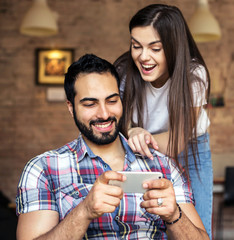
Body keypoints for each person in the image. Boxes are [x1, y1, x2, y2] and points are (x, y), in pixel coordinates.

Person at [15, 54, 209, 240]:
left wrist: (174, 215)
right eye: (90, 104)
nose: (104, 113)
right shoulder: (43, 169)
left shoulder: (164, 166)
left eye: (112, 101)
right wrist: (84, 211)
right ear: (70, 107)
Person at [114, 4, 213, 237]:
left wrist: (139, 136)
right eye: (136, 46)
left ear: (173, 47)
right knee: (148, 221)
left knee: (195, 227)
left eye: (155, 48)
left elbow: (177, 140)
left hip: (189, 147)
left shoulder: (193, 76)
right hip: (139, 147)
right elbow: (118, 122)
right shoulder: (124, 72)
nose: (143, 56)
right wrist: (132, 131)